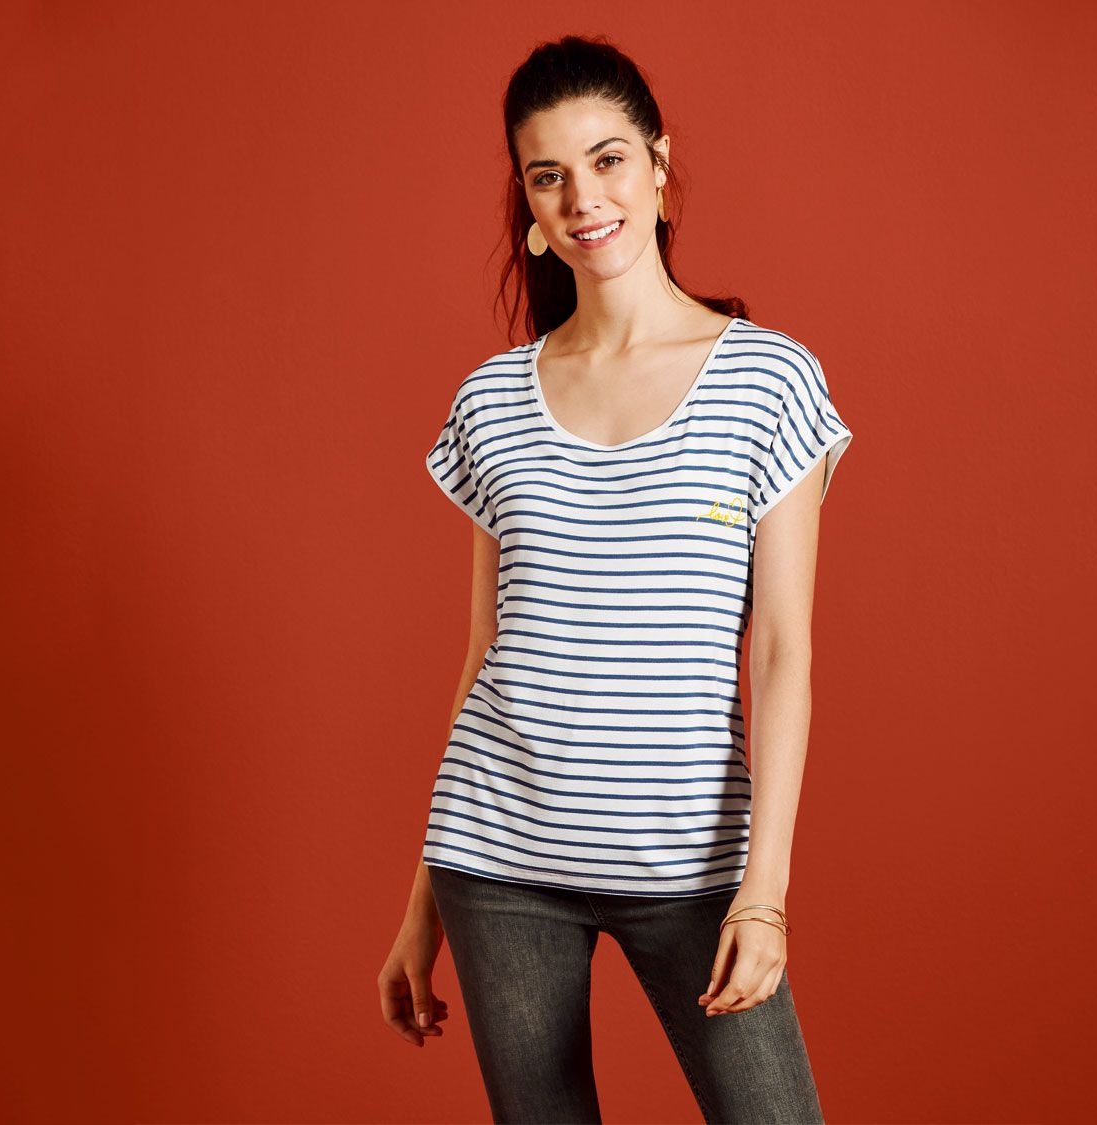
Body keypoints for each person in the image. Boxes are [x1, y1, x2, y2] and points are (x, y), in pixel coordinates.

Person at [378, 34, 853, 1125]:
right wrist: (422, 907)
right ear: (529, 205)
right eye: (548, 175)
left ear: (659, 162)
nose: (583, 199)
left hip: (694, 869)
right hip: (500, 863)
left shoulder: (768, 381)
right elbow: (487, 655)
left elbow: (782, 650)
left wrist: (765, 895)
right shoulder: (493, 399)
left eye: (607, 160)